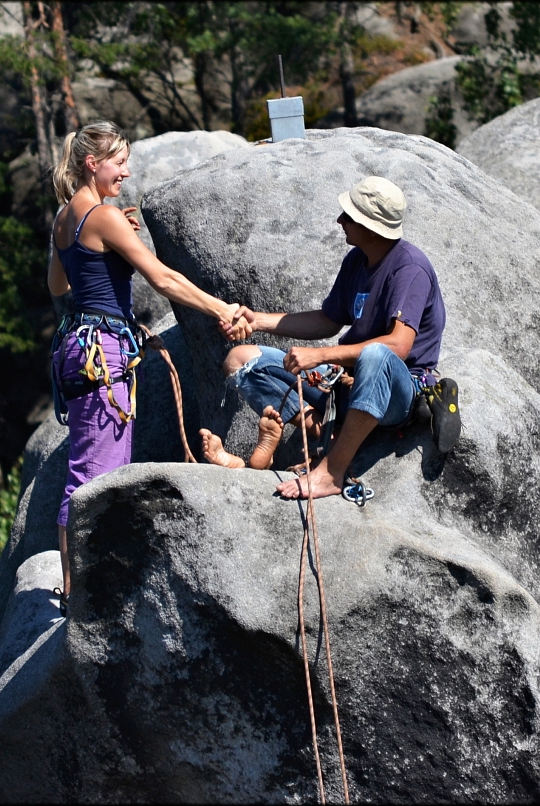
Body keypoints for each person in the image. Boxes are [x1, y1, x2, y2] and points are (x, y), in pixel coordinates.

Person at [47, 121, 248, 613]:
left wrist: (109, 245)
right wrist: (219, 308)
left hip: (75, 346)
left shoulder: (64, 217)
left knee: (86, 466)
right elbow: (162, 278)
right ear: (93, 164)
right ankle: (80, 597)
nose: (126, 171)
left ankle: (75, 586)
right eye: (119, 162)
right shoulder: (103, 215)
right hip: (103, 354)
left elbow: (59, 286)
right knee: (97, 476)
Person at [201, 176, 458, 500]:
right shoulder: (357, 261)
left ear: (371, 225)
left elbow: (398, 345)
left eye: (348, 216)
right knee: (241, 361)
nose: (340, 221)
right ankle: (321, 429)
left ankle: (331, 472)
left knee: (376, 355)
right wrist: (258, 321)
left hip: (396, 388)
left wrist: (321, 356)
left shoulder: (409, 269)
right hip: (346, 379)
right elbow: (328, 320)